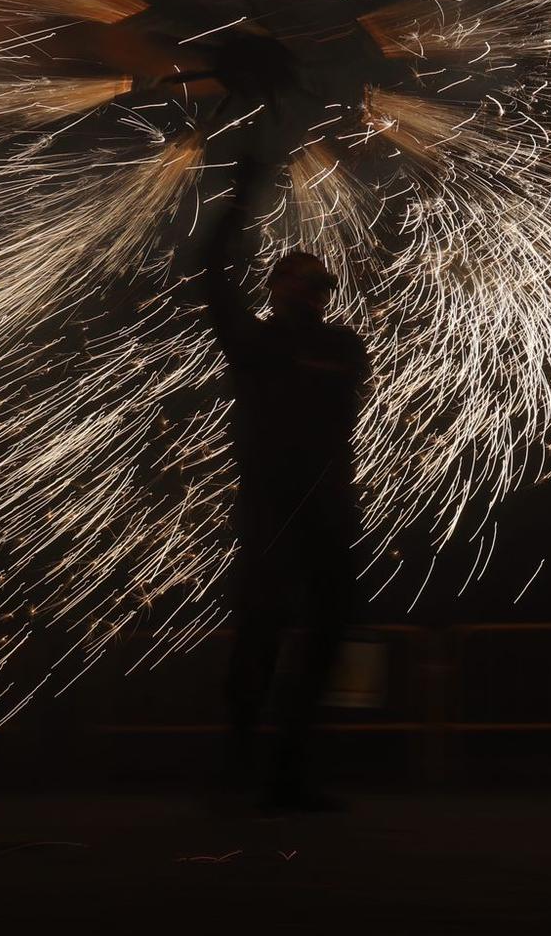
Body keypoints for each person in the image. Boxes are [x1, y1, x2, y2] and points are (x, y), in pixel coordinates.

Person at [201, 142, 369, 810]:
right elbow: (212, 274)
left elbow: (334, 403)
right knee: (263, 633)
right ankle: (243, 765)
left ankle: (289, 768)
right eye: (299, 278)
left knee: (324, 636)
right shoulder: (256, 343)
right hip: (272, 504)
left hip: (325, 502)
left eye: (320, 281)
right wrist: (244, 187)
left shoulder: (340, 344)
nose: (313, 288)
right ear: (274, 286)